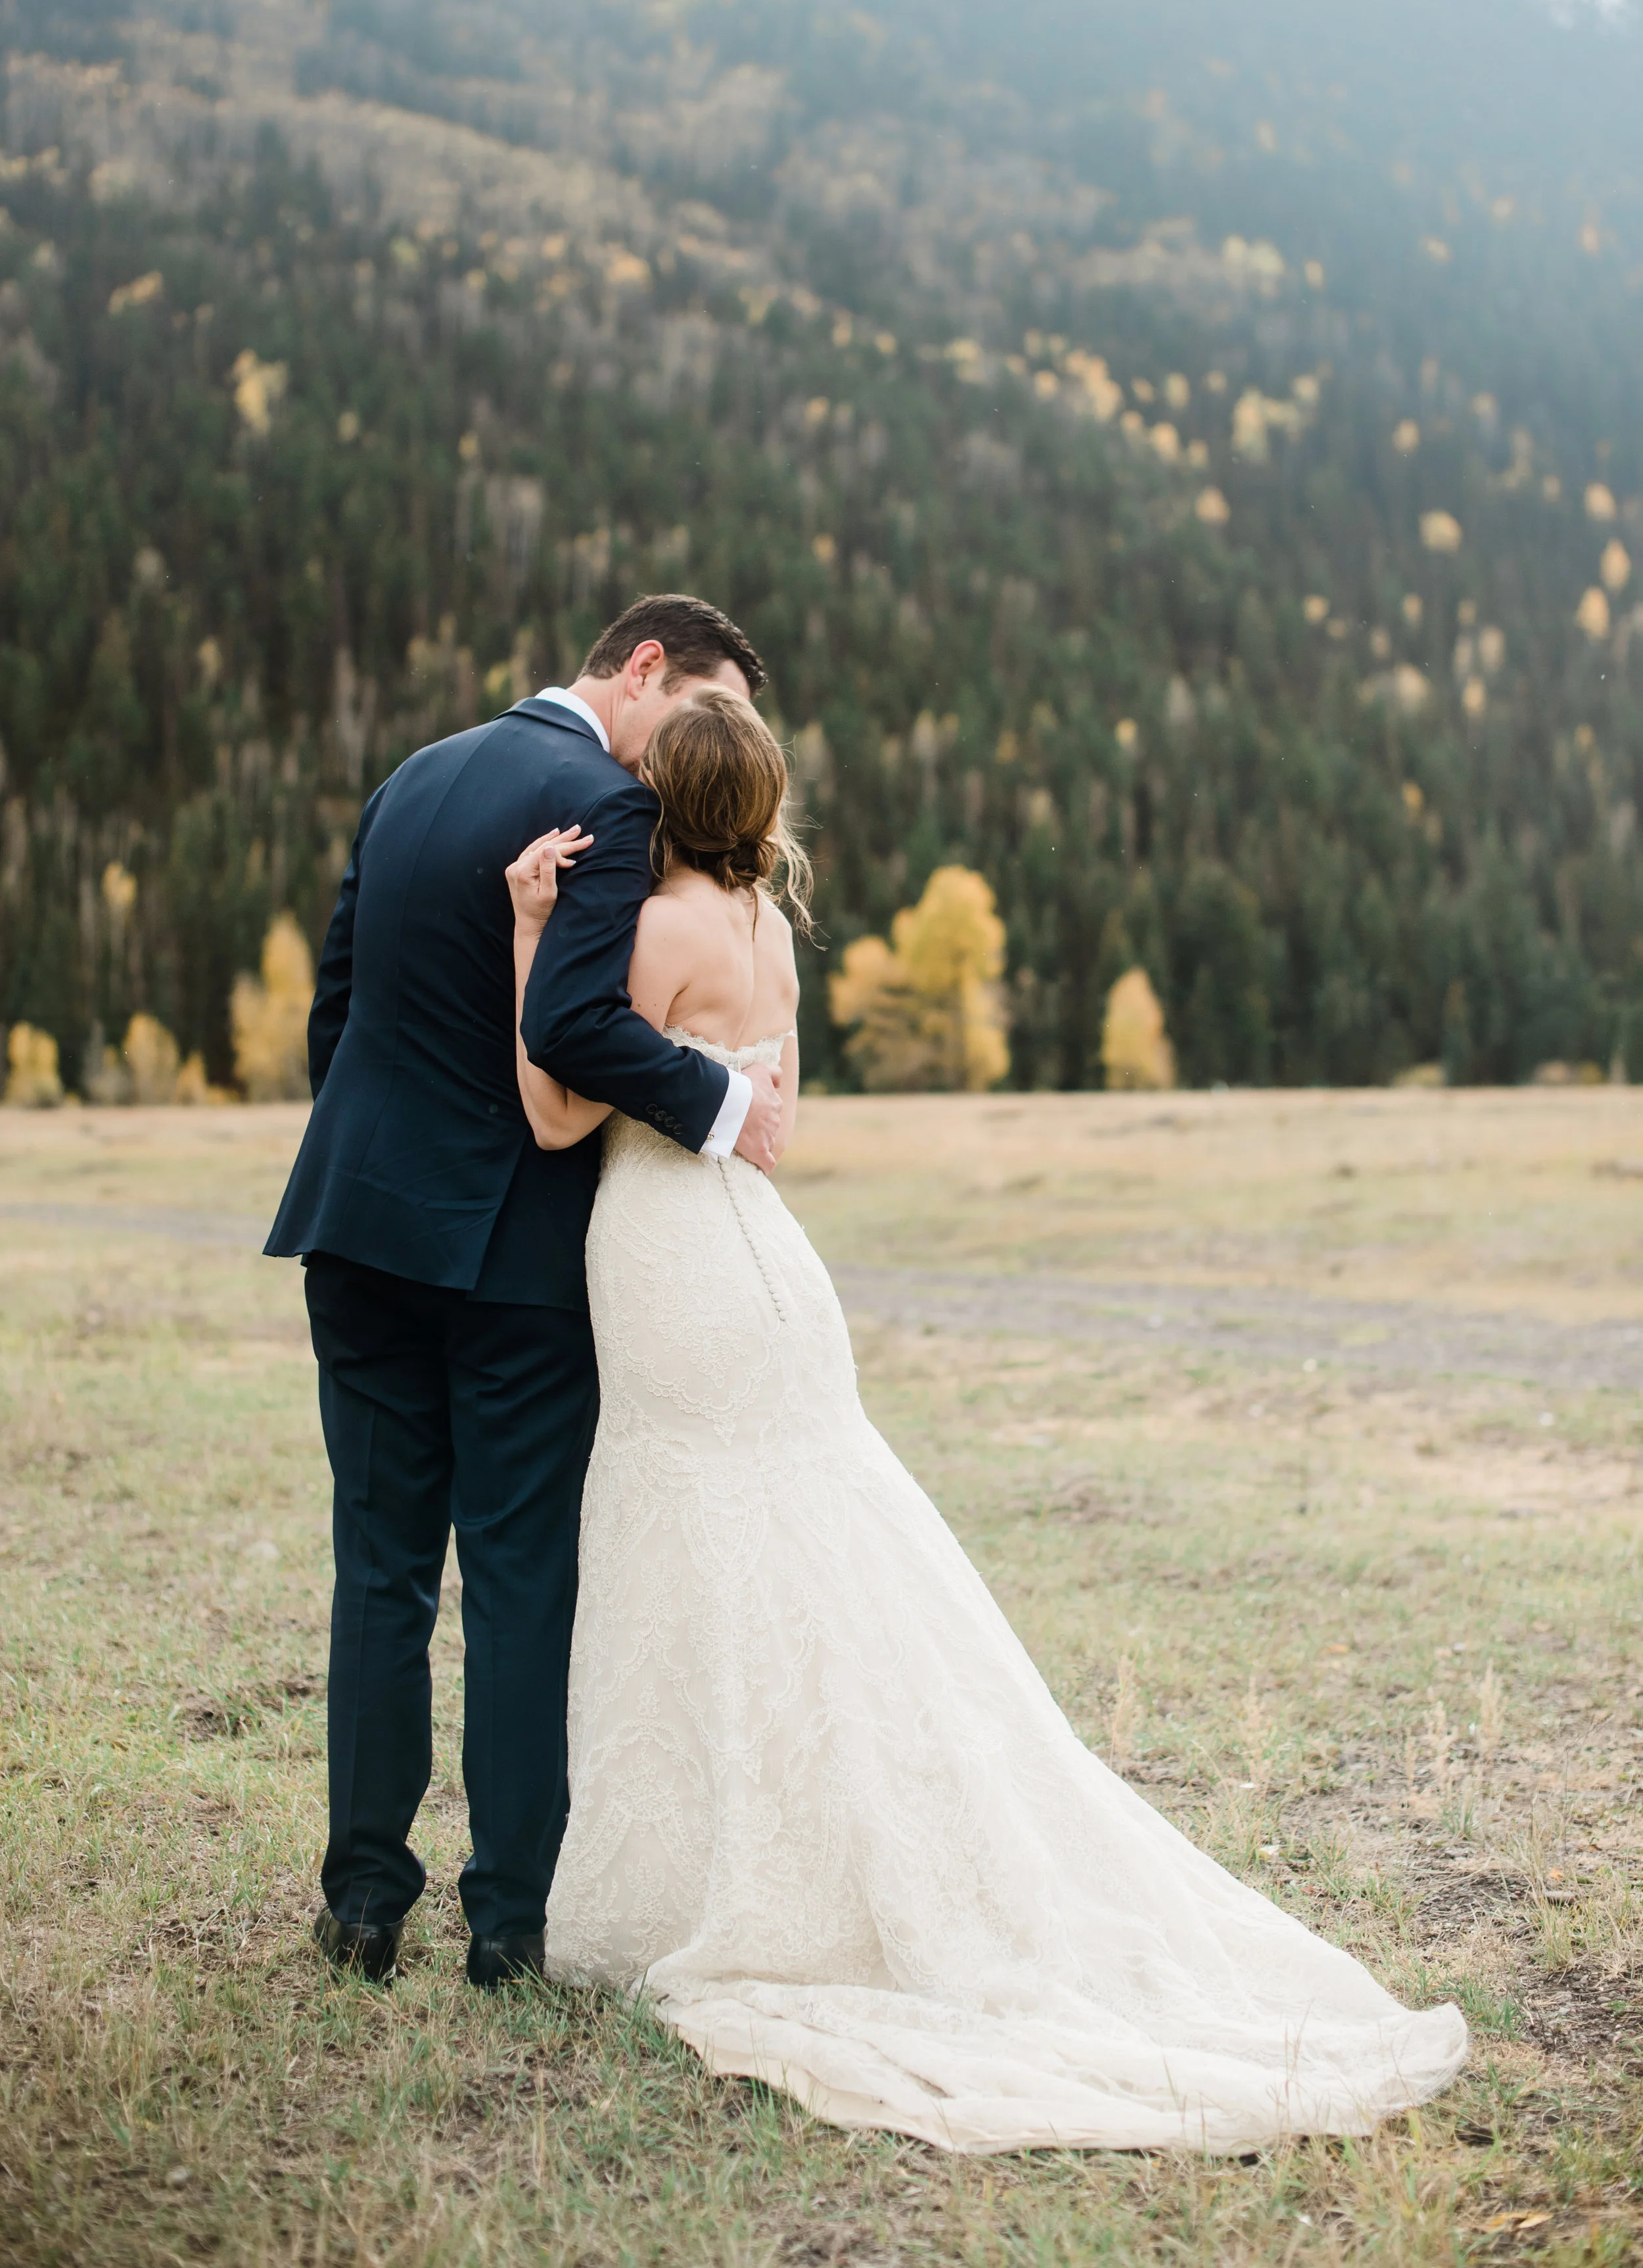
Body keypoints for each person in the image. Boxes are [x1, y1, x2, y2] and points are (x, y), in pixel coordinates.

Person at [503, 686, 1469, 2155]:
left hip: (669, 1265)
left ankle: (731, 1877)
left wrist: (528, 934)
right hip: (773, 1268)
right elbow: (774, 1129)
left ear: (662, 803)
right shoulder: (768, 937)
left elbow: (556, 1118)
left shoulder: (647, 933)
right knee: (806, 1555)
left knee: (692, 1553)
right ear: (758, 809)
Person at [264, 595, 783, 1989]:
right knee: (513, 1586)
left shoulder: (411, 776)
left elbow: (338, 1005)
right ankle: (509, 1924)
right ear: (644, 669)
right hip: (510, 1256)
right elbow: (568, 1025)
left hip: (357, 1227)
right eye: (697, 720)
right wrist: (729, 1109)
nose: (689, 760)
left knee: (378, 1571)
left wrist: (383, 1162)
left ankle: (363, 1907)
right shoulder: (602, 806)